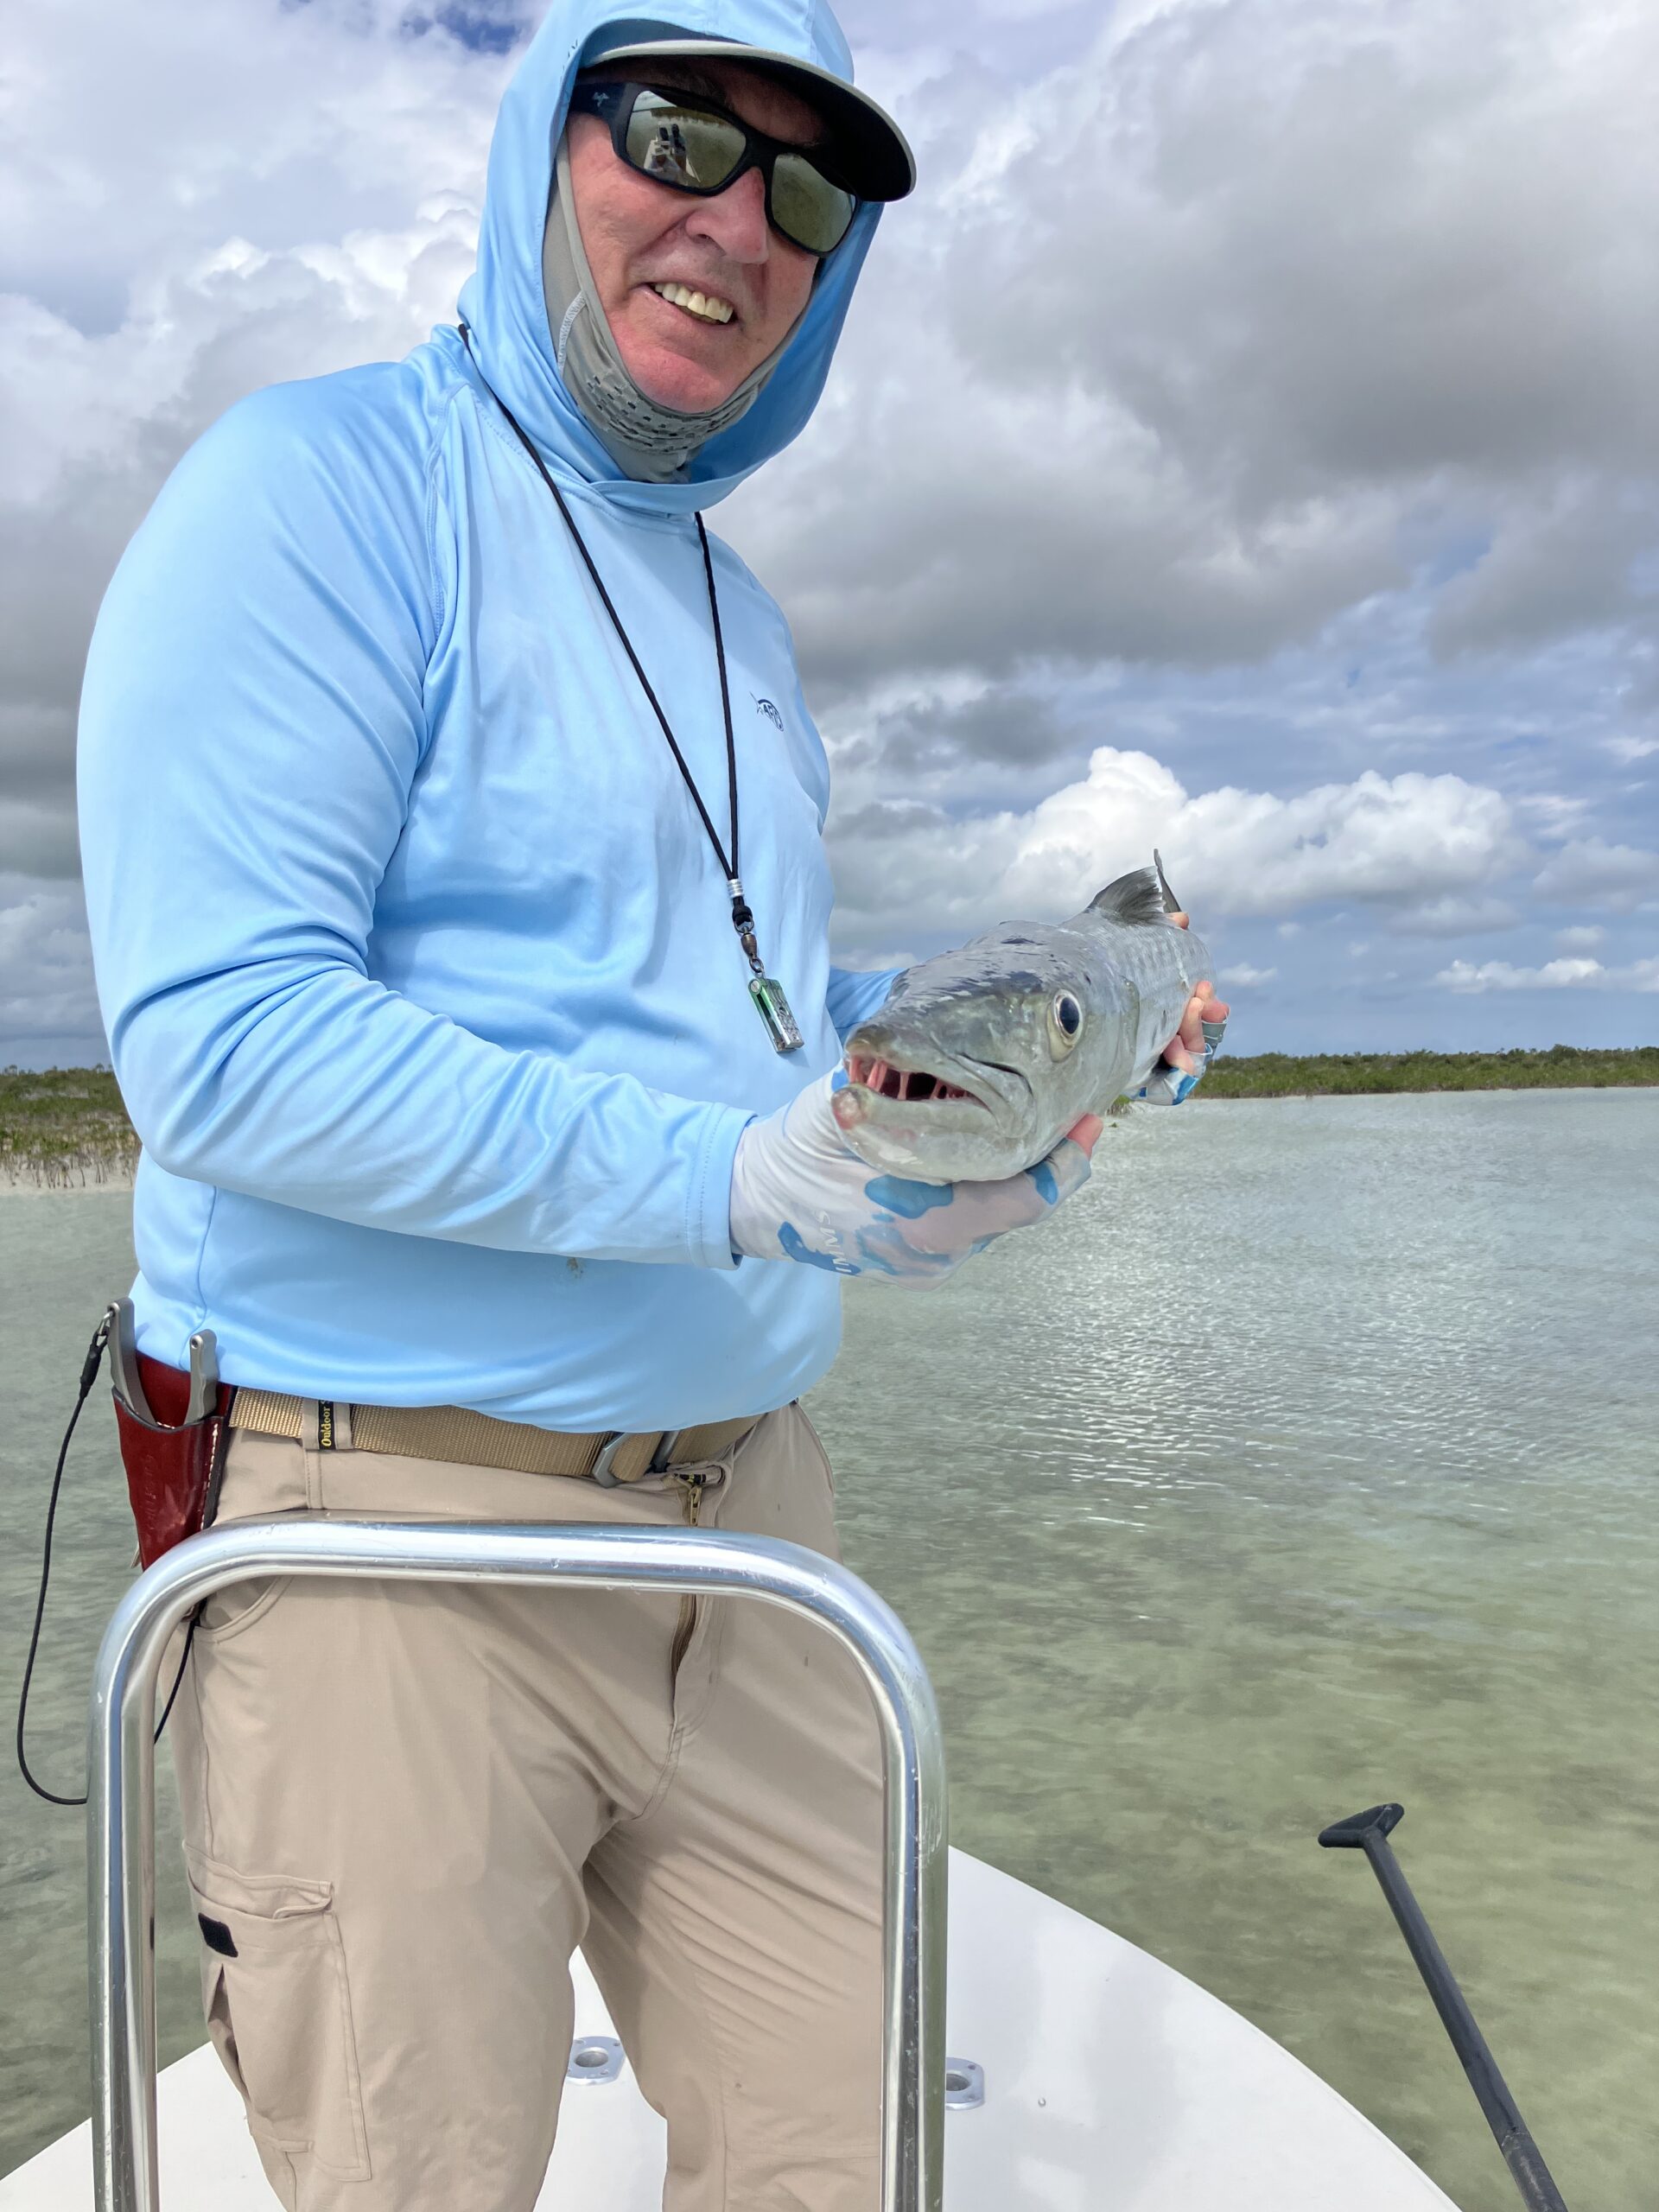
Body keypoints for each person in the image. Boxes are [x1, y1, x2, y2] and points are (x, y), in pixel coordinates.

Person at [76, 3, 1226, 2207]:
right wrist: (739, 1177)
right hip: (387, 1539)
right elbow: (223, 1036)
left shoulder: (742, 618)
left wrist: (1001, 1062)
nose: (739, 223)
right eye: (678, 134)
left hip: (755, 1524)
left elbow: (757, 1028)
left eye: (807, 188)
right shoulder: (315, 488)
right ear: (545, 141)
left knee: (846, 2158)